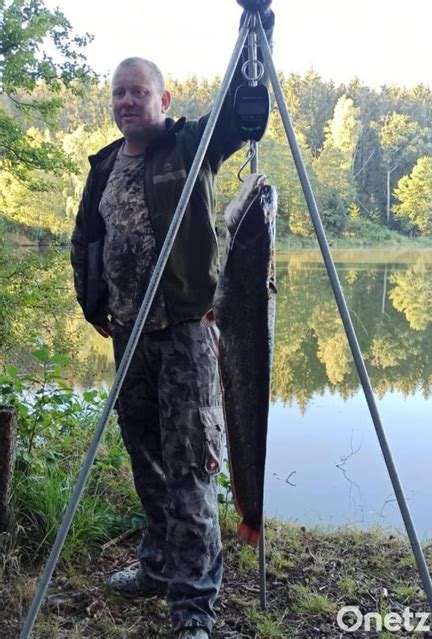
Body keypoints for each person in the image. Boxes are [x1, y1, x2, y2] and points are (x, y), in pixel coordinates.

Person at [70, 2, 274, 638]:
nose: (128, 101)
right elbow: (86, 239)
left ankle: (194, 607)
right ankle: (157, 567)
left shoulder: (189, 145)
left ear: (162, 98)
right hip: (129, 339)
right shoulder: (105, 164)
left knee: (188, 469)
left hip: (184, 335)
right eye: (120, 92)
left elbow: (243, 111)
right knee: (146, 459)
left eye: (139, 91)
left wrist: (257, 33)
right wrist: (92, 303)